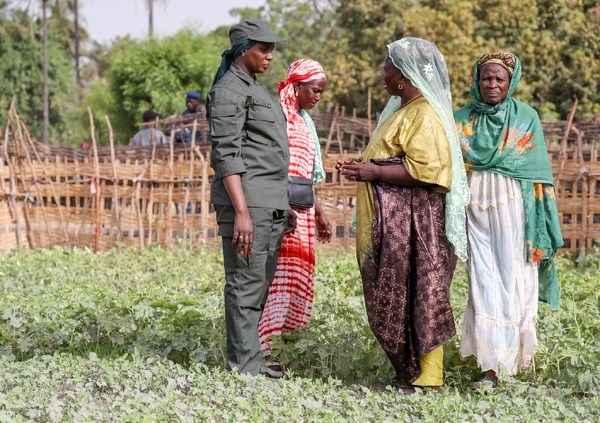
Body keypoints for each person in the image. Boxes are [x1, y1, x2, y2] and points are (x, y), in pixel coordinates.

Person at [336, 37, 469, 394]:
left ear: (404, 74)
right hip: (398, 224)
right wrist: (363, 167)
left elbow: (428, 171)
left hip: (417, 225)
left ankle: (429, 377)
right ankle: (408, 373)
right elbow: (390, 157)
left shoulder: (424, 114)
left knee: (423, 290)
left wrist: (374, 172)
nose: (383, 75)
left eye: (387, 68)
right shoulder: (402, 110)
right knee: (403, 293)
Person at [454, 52, 563, 391]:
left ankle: (518, 360)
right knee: (482, 279)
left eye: (499, 78)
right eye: (487, 77)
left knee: (515, 276)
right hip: (475, 205)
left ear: (510, 81)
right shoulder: (459, 119)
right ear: (477, 80)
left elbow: (535, 171)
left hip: (514, 207)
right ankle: (490, 367)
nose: (493, 84)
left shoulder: (526, 117)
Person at [207, 19, 296, 377]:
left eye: (272, 48)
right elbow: (226, 155)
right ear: (244, 49)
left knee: (257, 286)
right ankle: (243, 368)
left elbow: (266, 153)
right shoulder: (229, 90)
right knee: (244, 286)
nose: (270, 54)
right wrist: (241, 212)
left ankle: (251, 360)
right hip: (248, 206)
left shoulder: (255, 88)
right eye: (263, 48)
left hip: (268, 203)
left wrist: (283, 203)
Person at [257, 59, 332, 377]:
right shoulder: (278, 118)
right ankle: (265, 351)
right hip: (280, 212)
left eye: (321, 92)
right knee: (278, 284)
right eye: (314, 90)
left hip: (301, 212)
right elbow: (269, 169)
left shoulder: (305, 123)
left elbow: (306, 176)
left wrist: (320, 213)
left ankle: (284, 349)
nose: (318, 97)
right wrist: (281, 206)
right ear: (298, 86)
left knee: (298, 280)